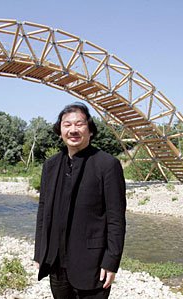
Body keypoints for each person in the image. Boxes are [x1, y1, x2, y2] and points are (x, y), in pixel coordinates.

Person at [34, 102, 126, 298]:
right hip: (56, 263)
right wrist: (39, 253)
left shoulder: (108, 165)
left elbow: (116, 219)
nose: (73, 130)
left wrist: (111, 261)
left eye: (79, 124)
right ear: (60, 131)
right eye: (67, 125)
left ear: (90, 130)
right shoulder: (51, 165)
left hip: (93, 265)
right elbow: (43, 212)